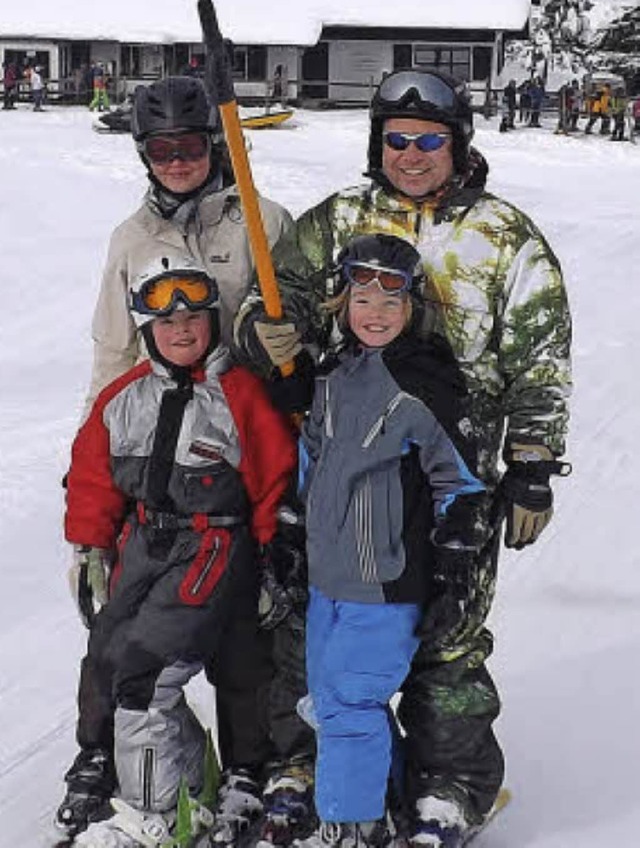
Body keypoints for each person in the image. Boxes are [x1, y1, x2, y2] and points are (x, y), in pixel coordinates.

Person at [234, 68, 572, 847]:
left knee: (446, 620)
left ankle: (448, 780)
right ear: (376, 143)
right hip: (348, 463)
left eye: (429, 140)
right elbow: (272, 288)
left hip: (459, 470)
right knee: (315, 617)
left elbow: (542, 356)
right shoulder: (339, 218)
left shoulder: (504, 235)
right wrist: (262, 328)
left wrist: (530, 461)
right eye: (396, 139)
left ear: (457, 146)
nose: (412, 155)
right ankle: (308, 761)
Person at [56, 75, 315, 845]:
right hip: (165, 459)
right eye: (161, 149)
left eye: (191, 146)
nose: (177, 161)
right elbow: (113, 357)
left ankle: (252, 762)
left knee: (248, 638)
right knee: (123, 627)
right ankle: (107, 754)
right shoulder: (131, 240)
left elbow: (304, 320)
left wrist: (290, 349)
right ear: (143, 154)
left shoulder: (265, 222)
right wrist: (92, 480)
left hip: (251, 440)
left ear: (214, 147)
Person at [65, 257, 297, 847]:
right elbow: (94, 477)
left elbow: (275, 477)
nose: (184, 330)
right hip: (145, 544)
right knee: (111, 655)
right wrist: (90, 548)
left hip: (214, 544)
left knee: (151, 675)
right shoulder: (124, 397)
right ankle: (184, 774)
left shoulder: (240, 393)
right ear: (146, 328)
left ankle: (159, 815)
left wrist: (277, 555)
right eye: (167, 322)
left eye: (196, 316)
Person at [294, 233, 486, 848]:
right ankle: (387, 802)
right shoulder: (333, 376)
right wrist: (290, 530)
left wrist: (457, 546)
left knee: (350, 702)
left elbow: (461, 478)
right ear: (343, 303)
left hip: (384, 579)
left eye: (390, 299)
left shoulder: (424, 385)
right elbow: (313, 463)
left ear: (412, 307)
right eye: (362, 297)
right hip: (328, 575)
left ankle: (350, 827)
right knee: (331, 702)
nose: (374, 312)